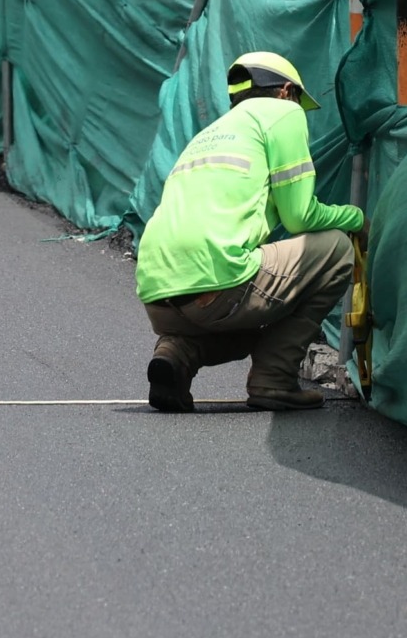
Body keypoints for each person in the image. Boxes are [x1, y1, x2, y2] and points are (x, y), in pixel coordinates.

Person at [137, 51, 364, 413]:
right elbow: (300, 216)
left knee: (249, 326)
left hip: (158, 295)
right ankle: (274, 380)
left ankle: (176, 353)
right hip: (217, 289)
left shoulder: (210, 134)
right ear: (286, 91)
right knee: (336, 250)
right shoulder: (282, 114)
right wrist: (353, 216)